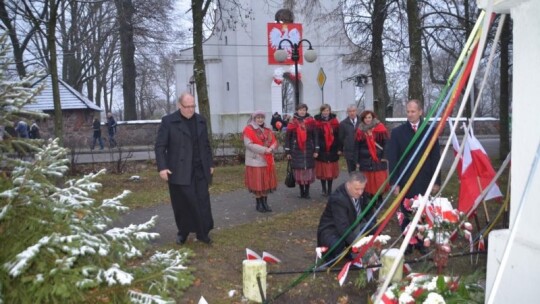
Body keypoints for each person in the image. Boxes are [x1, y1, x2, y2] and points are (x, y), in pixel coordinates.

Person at [155, 92, 214, 245]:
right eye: (187, 107)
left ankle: (203, 232)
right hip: (179, 170)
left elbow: (206, 145)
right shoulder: (169, 121)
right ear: (179, 106)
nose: (190, 110)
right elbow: (160, 146)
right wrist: (162, 167)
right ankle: (183, 231)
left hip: (200, 168)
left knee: (202, 201)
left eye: (193, 106)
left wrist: (210, 164)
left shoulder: (201, 120)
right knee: (182, 203)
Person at [386, 99, 441, 254]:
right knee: (406, 211)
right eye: (408, 111)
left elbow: (436, 157)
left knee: (423, 211)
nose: (410, 114)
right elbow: (393, 158)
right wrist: (394, 182)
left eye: (413, 111)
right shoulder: (398, 132)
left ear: (420, 112)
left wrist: (436, 181)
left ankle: (423, 242)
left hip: (425, 180)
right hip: (405, 180)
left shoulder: (430, 131)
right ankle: (408, 242)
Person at [317, 172, 375, 261]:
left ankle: (353, 251)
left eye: (362, 189)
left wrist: (373, 229)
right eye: (357, 189)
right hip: (332, 229)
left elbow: (369, 210)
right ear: (348, 185)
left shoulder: (360, 192)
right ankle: (330, 258)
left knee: (373, 227)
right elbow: (342, 227)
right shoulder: (338, 199)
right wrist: (359, 244)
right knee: (337, 244)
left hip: (353, 225)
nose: (360, 192)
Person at [243, 111, 278, 212]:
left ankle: (265, 203)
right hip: (255, 160)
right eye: (258, 117)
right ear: (254, 118)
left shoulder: (268, 130)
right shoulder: (248, 130)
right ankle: (259, 204)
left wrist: (271, 148)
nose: (260, 119)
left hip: (268, 160)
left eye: (262, 117)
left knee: (265, 182)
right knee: (258, 183)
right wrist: (264, 150)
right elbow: (249, 144)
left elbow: (274, 141)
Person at [285, 103, 318, 199]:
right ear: (297, 111)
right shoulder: (292, 122)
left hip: (309, 149)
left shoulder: (311, 121)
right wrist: (288, 152)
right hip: (296, 150)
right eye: (300, 110)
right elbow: (288, 138)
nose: (302, 111)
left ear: (306, 111)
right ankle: (301, 191)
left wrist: (316, 149)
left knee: (308, 171)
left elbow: (315, 136)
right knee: (299, 172)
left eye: (304, 110)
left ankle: (307, 192)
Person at [356, 110, 389, 204]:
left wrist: (384, 156)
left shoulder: (380, 128)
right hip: (365, 159)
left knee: (379, 181)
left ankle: (379, 198)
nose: (367, 120)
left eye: (369, 117)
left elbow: (386, 143)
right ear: (363, 119)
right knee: (368, 182)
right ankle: (370, 199)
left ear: (373, 118)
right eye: (365, 118)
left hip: (379, 159)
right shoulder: (360, 130)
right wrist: (357, 160)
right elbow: (357, 146)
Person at [314, 104, 341, 197]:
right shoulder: (317, 122)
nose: (326, 112)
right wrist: (316, 148)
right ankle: (323, 189)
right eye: (324, 110)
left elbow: (338, 136)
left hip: (333, 149)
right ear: (321, 111)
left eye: (327, 110)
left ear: (330, 111)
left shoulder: (335, 122)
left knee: (330, 172)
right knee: (322, 171)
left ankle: (329, 189)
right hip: (322, 149)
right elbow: (315, 136)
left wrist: (339, 148)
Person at [339, 104, 360, 173]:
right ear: (347, 112)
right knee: (352, 172)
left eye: (353, 111)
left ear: (356, 111)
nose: (352, 113)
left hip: (361, 151)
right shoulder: (343, 124)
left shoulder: (362, 122)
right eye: (350, 111)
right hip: (349, 152)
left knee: (363, 172)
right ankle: (353, 184)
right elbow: (341, 138)